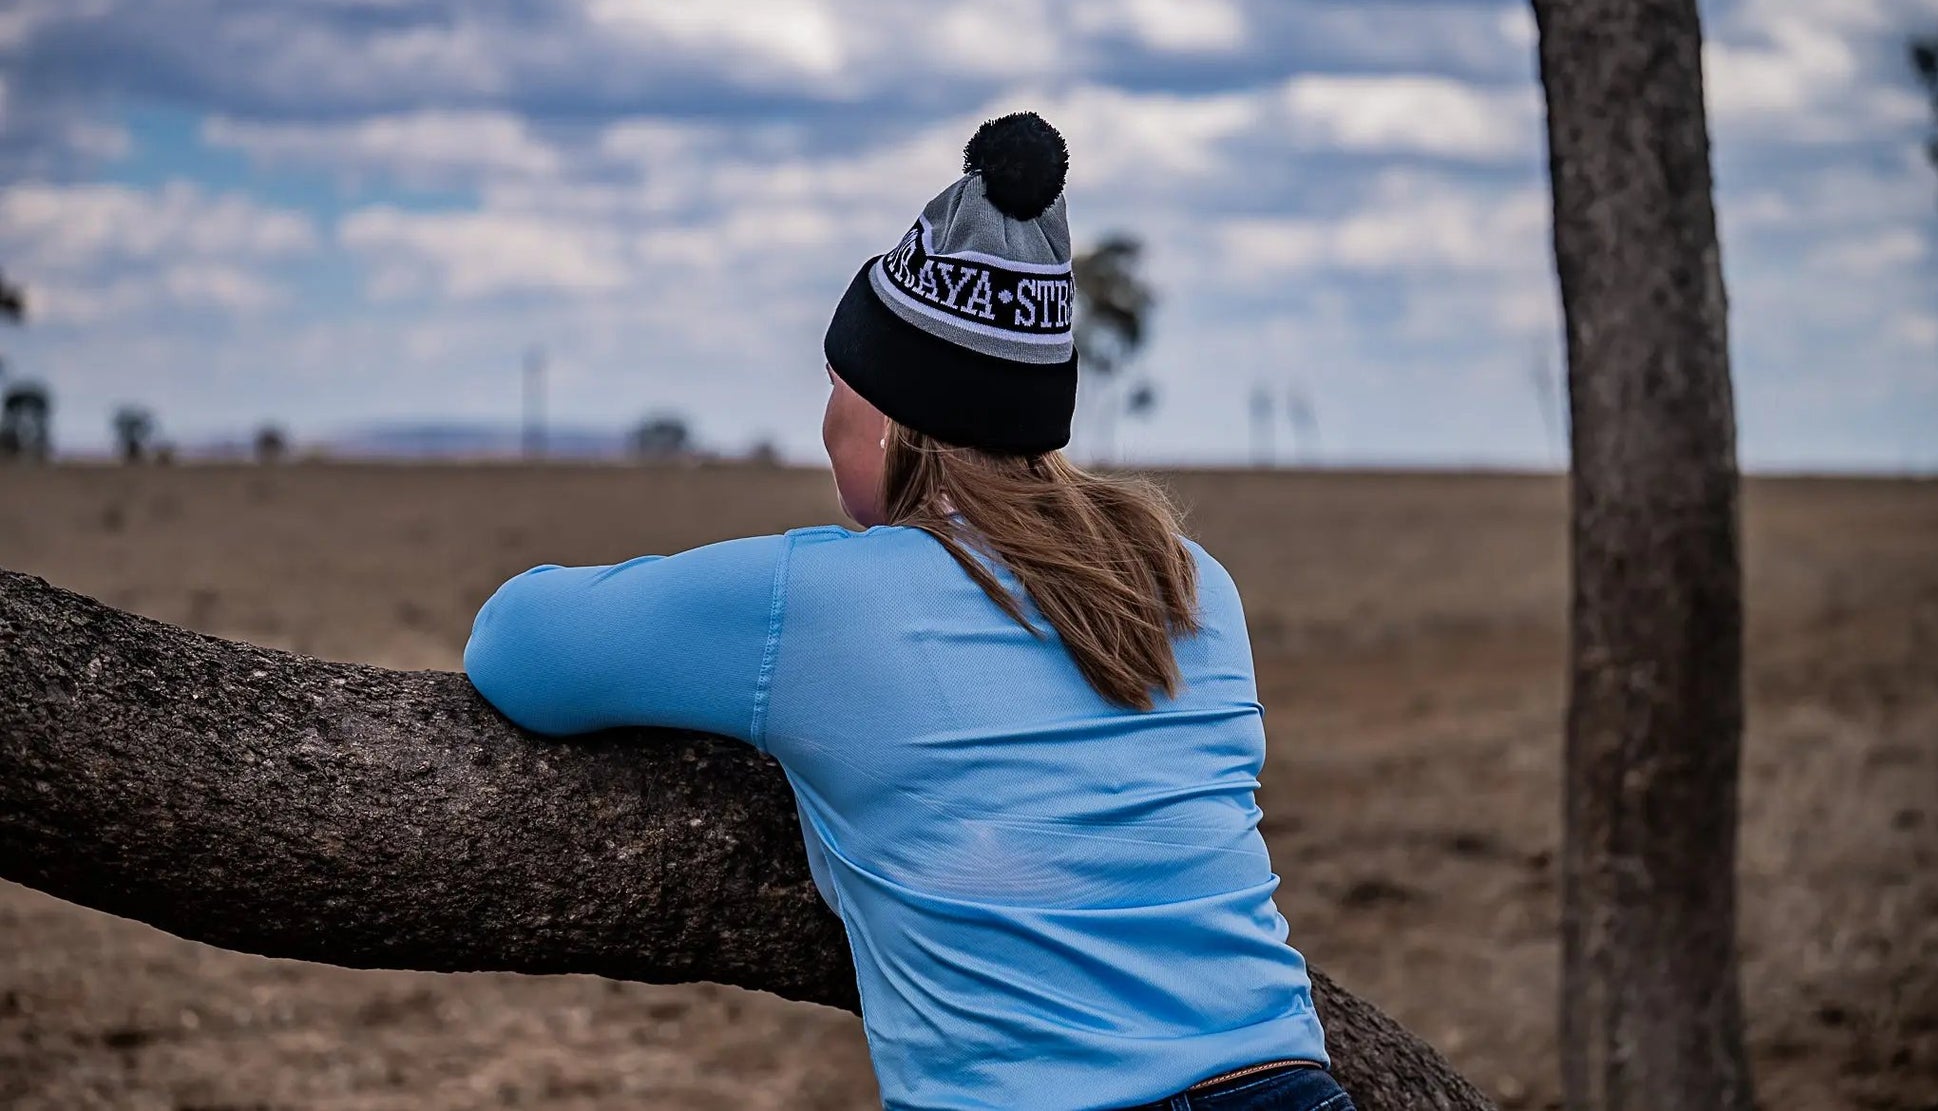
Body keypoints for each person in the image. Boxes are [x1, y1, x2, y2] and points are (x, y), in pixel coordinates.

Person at [463, 113, 1352, 1111]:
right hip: (1283, 1080)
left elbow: (515, 643)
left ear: (891, 412)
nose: (824, 418)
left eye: (835, 384)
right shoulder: (1191, 580)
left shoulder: (826, 600)